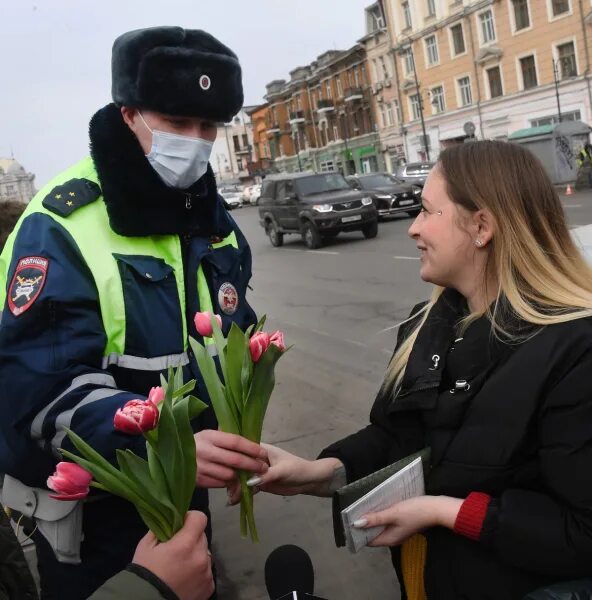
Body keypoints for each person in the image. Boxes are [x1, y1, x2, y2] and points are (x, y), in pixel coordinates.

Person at [251, 140, 592, 599]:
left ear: (482, 226)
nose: (412, 229)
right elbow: (398, 437)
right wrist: (319, 472)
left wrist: (442, 512)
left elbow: (580, 533)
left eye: (428, 211)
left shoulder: (574, 349)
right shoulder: (426, 323)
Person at [0, 26, 268, 599]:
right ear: (129, 114)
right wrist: (171, 444)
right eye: (176, 123)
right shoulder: (60, 225)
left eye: (209, 127)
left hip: (186, 490)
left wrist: (238, 419)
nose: (196, 143)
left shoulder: (213, 220)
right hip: (94, 512)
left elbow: (230, 335)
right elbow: (40, 391)